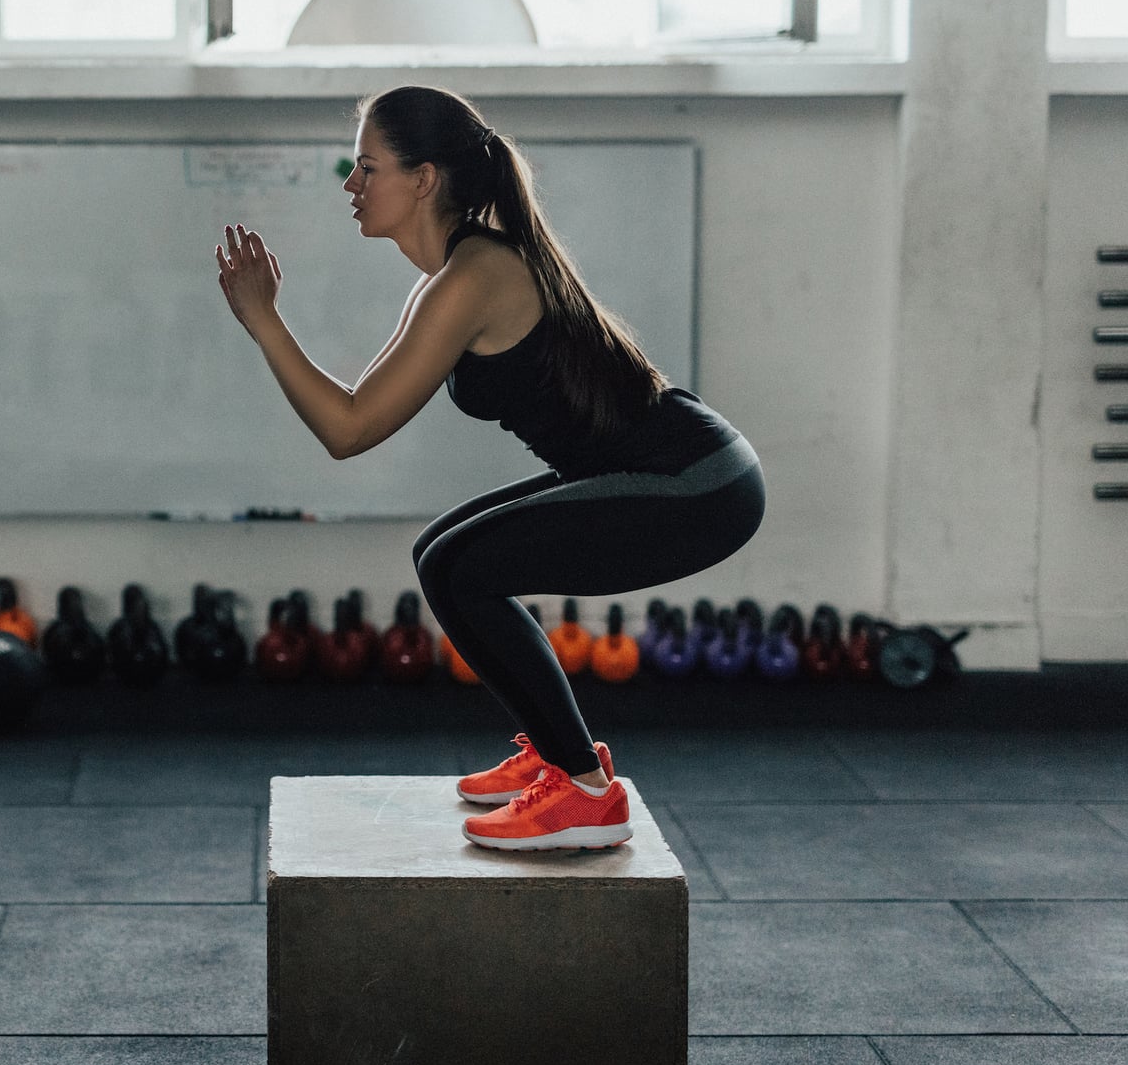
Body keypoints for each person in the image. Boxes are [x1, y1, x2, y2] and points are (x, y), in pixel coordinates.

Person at [214, 84, 765, 851]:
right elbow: (354, 410)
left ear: (425, 179)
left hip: (696, 485)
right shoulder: (450, 277)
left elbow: (348, 431)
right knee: (444, 555)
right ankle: (558, 753)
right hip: (676, 472)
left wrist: (264, 320)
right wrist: (266, 320)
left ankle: (583, 791)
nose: (352, 185)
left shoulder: (475, 277)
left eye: (368, 167)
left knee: (465, 569)